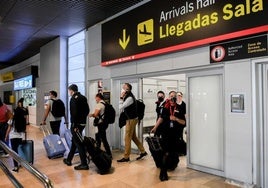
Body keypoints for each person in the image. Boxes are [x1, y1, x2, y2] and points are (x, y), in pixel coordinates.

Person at [151, 91, 186, 181]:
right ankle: (163, 172)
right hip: (166, 133)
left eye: (174, 96)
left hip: (175, 135)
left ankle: (168, 167)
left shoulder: (180, 107)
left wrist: (176, 119)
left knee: (171, 152)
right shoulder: (165, 107)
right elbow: (161, 118)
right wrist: (155, 127)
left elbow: (184, 122)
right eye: (171, 96)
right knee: (165, 152)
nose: (172, 98)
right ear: (169, 97)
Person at [117, 83, 147, 162]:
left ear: (128, 89)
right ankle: (143, 151)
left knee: (127, 138)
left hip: (131, 120)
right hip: (131, 119)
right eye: (123, 87)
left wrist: (120, 97)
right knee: (133, 137)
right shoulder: (128, 96)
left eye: (124, 87)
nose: (122, 88)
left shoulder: (129, 98)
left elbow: (120, 107)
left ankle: (126, 157)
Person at [63, 84, 90, 170]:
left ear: (71, 90)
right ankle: (69, 159)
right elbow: (87, 110)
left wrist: (74, 124)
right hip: (82, 123)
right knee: (75, 141)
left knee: (78, 143)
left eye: (69, 91)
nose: (69, 93)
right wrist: (82, 119)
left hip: (76, 124)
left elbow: (74, 113)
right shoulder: (83, 97)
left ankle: (84, 164)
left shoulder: (73, 99)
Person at [6, 98, 28, 172]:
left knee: (14, 151)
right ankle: (21, 163)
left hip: (12, 137)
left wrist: (6, 136)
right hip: (20, 137)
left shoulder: (12, 120)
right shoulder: (22, 120)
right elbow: (24, 130)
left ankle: (15, 167)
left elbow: (9, 129)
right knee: (19, 150)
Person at [89, 93, 112, 158]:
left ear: (98, 97)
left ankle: (109, 154)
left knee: (103, 139)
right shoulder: (105, 103)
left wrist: (91, 115)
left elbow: (96, 114)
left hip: (100, 124)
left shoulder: (99, 105)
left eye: (96, 98)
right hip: (105, 123)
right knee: (98, 137)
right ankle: (98, 152)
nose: (95, 99)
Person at [177, 91, 187, 156]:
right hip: (175, 123)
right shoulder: (174, 104)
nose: (178, 97)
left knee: (180, 136)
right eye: (177, 95)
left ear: (182, 96)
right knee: (177, 137)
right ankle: (179, 150)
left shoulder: (184, 104)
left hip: (182, 123)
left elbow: (186, 115)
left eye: (180, 95)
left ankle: (183, 150)